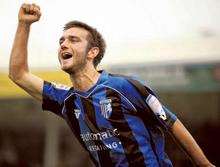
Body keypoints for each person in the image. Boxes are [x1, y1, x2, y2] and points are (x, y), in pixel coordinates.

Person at [9, 3, 215, 167]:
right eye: (61, 40)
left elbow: (170, 122)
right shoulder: (66, 100)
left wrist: (203, 164)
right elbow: (18, 74)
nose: (63, 44)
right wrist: (24, 25)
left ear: (93, 52)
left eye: (73, 40)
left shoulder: (124, 87)